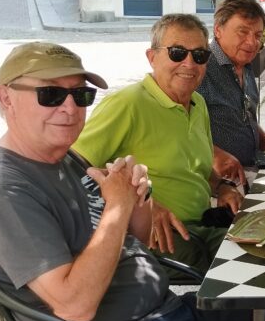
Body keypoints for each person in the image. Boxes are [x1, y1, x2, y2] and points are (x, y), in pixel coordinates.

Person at [0, 42, 265, 321]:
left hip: (162, 311)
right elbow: (75, 306)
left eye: (80, 95)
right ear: (6, 97)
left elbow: (134, 239)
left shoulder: (65, 159)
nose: (70, 109)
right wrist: (117, 206)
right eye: (50, 95)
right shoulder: (5, 190)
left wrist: (138, 199)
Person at [72, 14, 243, 276]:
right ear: (152, 57)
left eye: (199, 55)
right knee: (234, 274)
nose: (189, 63)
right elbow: (73, 167)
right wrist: (143, 206)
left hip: (201, 225)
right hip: (157, 238)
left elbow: (198, 167)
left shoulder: (197, 103)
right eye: (177, 53)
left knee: (259, 249)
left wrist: (222, 186)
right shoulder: (127, 104)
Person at [198, 0, 265, 186]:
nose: (252, 42)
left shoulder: (244, 65)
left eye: (257, 35)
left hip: (251, 172)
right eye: (243, 32)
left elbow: (242, 116)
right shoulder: (199, 68)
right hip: (217, 183)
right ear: (218, 30)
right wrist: (213, 154)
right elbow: (177, 125)